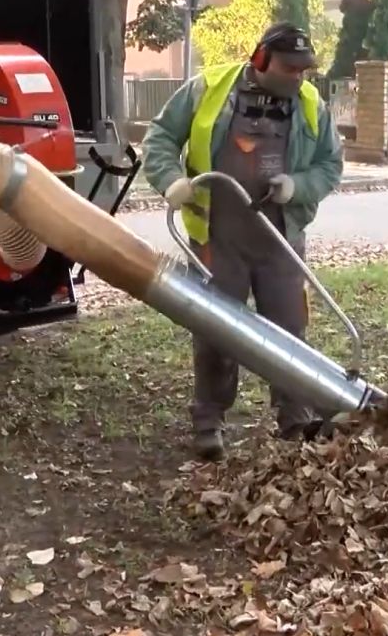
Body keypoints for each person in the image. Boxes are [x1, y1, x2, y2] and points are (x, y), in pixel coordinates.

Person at [141, 22, 343, 461]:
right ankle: (209, 423)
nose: (298, 78)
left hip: (279, 241)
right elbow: (158, 137)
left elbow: (330, 165)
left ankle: (296, 419)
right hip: (219, 239)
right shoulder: (208, 89)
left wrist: (298, 186)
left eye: (304, 70)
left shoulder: (310, 105)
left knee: (290, 331)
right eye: (290, 68)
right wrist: (171, 180)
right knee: (216, 332)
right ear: (261, 60)